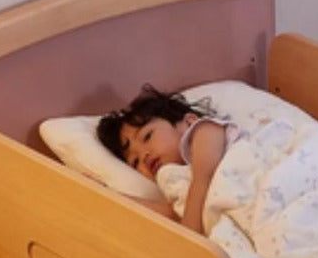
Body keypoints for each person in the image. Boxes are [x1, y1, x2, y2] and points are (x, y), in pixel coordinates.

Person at [97, 84, 237, 234]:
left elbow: (204, 176)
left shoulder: (205, 130)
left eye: (147, 136)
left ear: (189, 121)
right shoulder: (181, 184)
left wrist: (189, 234)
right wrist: (106, 195)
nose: (144, 156)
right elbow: (174, 213)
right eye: (135, 162)